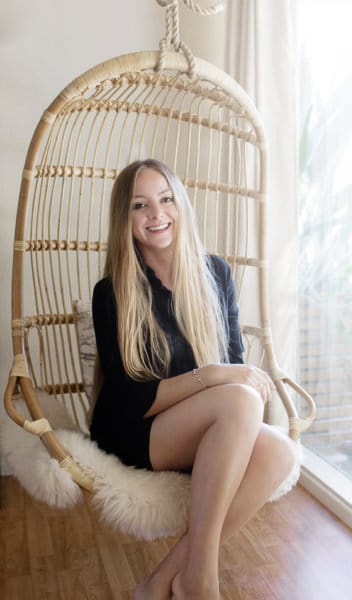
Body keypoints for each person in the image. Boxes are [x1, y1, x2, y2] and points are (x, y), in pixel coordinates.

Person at [89, 158, 296, 600]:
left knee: (279, 450)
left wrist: (226, 377)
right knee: (239, 397)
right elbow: (128, 398)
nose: (156, 214)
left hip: (203, 424)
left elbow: (239, 365)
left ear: (181, 204)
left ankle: (164, 580)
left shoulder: (216, 272)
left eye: (165, 200)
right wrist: (213, 375)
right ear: (124, 220)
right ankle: (201, 579)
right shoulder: (111, 293)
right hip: (135, 428)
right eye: (140, 206)